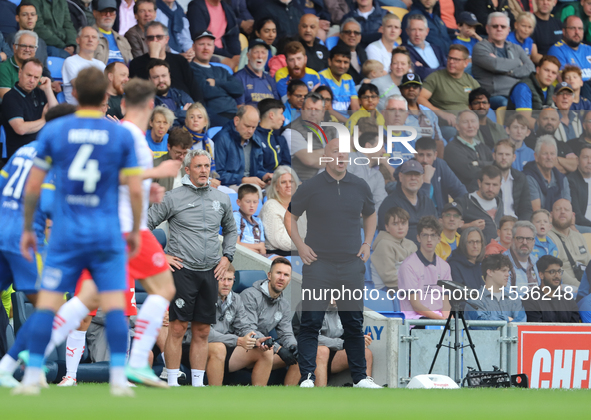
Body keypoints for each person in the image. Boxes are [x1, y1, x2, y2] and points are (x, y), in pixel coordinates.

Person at [16, 67, 143, 396]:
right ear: (105, 97)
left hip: (66, 232)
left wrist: (30, 227)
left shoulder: (55, 131)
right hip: (106, 231)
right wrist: (134, 230)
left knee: (47, 303)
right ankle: (118, 377)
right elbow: (135, 188)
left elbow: (33, 186)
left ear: (74, 94)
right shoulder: (120, 134)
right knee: (115, 303)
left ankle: (31, 376)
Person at [288, 136, 380, 389]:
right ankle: (307, 377)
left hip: (351, 264)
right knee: (311, 322)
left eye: (345, 152)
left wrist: (366, 243)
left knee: (353, 323)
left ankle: (360, 378)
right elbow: (290, 216)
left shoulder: (360, 185)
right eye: (335, 152)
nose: (341, 156)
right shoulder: (311, 186)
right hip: (319, 265)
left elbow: (371, 215)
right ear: (325, 156)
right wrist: (300, 245)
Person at [148, 149, 237, 387]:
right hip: (182, 271)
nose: (203, 171)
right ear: (187, 169)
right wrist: (161, 255)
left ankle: (198, 385)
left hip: (211, 271)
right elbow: (144, 227)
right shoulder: (172, 197)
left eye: (207, 166)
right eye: (198, 166)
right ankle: (173, 382)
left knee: (203, 331)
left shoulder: (222, 198)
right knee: (177, 328)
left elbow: (230, 229)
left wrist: (227, 256)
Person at [205, 264, 274, 386]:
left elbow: (244, 327)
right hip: (198, 347)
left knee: (266, 351)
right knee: (219, 347)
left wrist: (256, 339)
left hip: (226, 345)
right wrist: (237, 340)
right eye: (222, 279)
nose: (226, 284)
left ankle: (259, 400)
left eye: (230, 279)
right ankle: (214, 398)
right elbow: (205, 333)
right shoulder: (203, 297)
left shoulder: (236, 299)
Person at [239, 257, 300, 385]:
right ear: (269, 275)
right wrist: (278, 349)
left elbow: (286, 334)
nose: (282, 278)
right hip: (243, 347)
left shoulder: (284, 304)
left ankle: (288, 399)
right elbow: (249, 330)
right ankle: (259, 398)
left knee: (302, 354)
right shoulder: (249, 295)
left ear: (289, 280)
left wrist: (293, 346)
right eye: (278, 273)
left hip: (266, 348)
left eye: (286, 275)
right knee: (267, 352)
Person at [292, 299, 373, 388]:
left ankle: (364, 391)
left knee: (365, 353)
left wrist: (359, 341)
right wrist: (343, 343)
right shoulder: (308, 304)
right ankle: (320, 394)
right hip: (309, 352)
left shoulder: (347, 305)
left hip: (334, 351)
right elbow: (311, 337)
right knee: (323, 351)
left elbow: (352, 332)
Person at [471, 12, 535, 109]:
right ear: (487, 28)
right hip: (494, 96)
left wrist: (509, 71)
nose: (499, 29)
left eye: (503, 27)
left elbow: (531, 68)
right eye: (495, 26)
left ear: (508, 30)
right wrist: (518, 62)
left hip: (516, 92)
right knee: (506, 103)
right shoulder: (480, 47)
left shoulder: (516, 48)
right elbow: (495, 65)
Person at [129, 21, 202, 102]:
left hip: (184, 105)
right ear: (146, 41)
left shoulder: (179, 60)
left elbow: (194, 88)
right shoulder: (136, 63)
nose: (155, 40)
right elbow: (143, 92)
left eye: (159, 37)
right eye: (150, 38)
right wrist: (153, 58)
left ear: (166, 39)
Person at [1, 57, 58, 160]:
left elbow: (57, 116)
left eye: (36, 77)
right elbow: (20, 129)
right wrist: (44, 119)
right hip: (21, 155)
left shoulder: (40, 92)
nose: (32, 80)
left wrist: (48, 89)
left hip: (42, 151)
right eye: (29, 75)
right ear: (20, 73)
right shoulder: (10, 97)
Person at [417, 45, 480, 134]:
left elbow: (480, 103)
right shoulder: (435, 77)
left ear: (466, 63)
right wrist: (442, 114)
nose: (451, 62)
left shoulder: (471, 81)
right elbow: (420, 98)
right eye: (449, 58)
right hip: (445, 125)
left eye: (456, 59)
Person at [398, 215, 451, 321]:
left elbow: (446, 303)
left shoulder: (445, 266)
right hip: (416, 320)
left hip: (439, 319)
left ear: (439, 238)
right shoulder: (408, 266)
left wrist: (447, 319)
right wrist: (441, 321)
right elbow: (416, 306)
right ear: (418, 237)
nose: (429, 239)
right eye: (425, 235)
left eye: (433, 235)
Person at [189, 30, 243, 127]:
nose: (206, 48)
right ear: (193, 47)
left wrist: (217, 82)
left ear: (213, 48)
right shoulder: (190, 69)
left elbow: (239, 89)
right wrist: (228, 90)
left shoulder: (221, 70)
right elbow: (206, 92)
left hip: (234, 114)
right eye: (201, 44)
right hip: (215, 116)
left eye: (209, 45)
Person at [378, 159, 437, 245]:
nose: (413, 178)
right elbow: (385, 238)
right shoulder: (390, 204)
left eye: (417, 174)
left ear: (422, 178)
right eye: (409, 174)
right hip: (401, 254)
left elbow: (436, 230)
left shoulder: (428, 202)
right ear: (401, 177)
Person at [212, 105, 271, 189]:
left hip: (250, 184)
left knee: (277, 188)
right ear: (236, 121)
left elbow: (257, 170)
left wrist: (264, 176)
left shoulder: (256, 140)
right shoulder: (222, 139)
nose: (250, 131)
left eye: (253, 127)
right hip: (229, 185)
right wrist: (243, 180)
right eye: (247, 126)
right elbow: (217, 174)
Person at [465, 254, 526, 327]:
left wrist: (497, 322)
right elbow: (481, 326)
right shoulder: (474, 300)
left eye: (508, 271)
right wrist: (507, 319)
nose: (508, 274)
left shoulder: (514, 299)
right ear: (490, 272)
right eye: (503, 270)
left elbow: (521, 324)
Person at [285, 92, 334, 181]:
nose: (313, 113)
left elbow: (347, 154)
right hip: (306, 186)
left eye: (317, 110)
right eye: (309, 109)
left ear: (323, 112)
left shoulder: (330, 128)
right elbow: (309, 160)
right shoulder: (291, 131)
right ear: (302, 109)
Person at [415, 136, 467, 215]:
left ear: (435, 155)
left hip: (441, 215)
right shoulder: (408, 170)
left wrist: (453, 210)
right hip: (420, 217)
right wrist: (426, 180)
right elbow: (421, 206)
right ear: (415, 155)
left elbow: (460, 191)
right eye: (421, 155)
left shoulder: (440, 165)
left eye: (429, 155)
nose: (424, 160)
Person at [371, 206, 418, 294]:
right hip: (387, 290)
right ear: (387, 227)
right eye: (395, 224)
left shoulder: (411, 244)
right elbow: (389, 278)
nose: (400, 227)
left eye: (403, 223)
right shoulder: (384, 244)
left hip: (407, 285)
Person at [443, 110, 493, 190]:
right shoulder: (451, 148)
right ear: (457, 126)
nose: (470, 126)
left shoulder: (482, 146)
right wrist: (490, 167)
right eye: (465, 122)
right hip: (466, 196)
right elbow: (471, 173)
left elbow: (496, 165)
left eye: (473, 121)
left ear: (478, 125)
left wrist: (478, 163)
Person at [547, 198, 591, 288]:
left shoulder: (579, 236)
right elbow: (557, 271)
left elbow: (589, 264)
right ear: (551, 215)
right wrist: (582, 287)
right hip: (565, 287)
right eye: (558, 209)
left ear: (572, 215)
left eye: (566, 210)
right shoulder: (548, 237)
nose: (562, 212)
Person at [506, 55, 560, 128]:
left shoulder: (552, 89)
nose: (549, 75)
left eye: (553, 73)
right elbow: (525, 120)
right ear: (537, 70)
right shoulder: (523, 87)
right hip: (521, 134)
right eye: (546, 70)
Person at [522, 255, 580, 322]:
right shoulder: (530, 300)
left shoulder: (568, 299)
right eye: (552, 272)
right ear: (541, 275)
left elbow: (575, 329)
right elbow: (537, 330)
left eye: (559, 271)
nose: (557, 275)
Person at [457, 165, 504, 245]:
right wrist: (470, 226)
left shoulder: (499, 202)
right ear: (479, 183)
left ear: (500, 185)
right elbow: (449, 226)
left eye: (495, 185)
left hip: (499, 252)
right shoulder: (464, 202)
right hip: (475, 253)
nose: (490, 189)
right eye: (487, 184)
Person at [260, 166, 302, 255]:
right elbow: (280, 240)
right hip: (279, 255)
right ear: (276, 187)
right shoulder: (271, 206)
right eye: (283, 182)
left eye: (291, 181)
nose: (288, 185)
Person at [524, 135, 571, 212]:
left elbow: (567, 209)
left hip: (560, 221)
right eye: (545, 153)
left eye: (552, 154)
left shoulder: (562, 179)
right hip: (540, 222)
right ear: (536, 156)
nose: (549, 157)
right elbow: (537, 212)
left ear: (556, 157)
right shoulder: (529, 177)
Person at [523, 106, 577, 172]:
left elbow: (576, 165)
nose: (549, 122)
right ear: (538, 121)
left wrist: (557, 159)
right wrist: (566, 166)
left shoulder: (562, 144)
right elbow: (543, 167)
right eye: (545, 119)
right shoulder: (529, 141)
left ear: (558, 123)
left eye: (553, 119)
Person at [186, 0, 241, 65]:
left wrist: (236, 55)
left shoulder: (226, 8)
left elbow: (233, 36)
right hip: (206, 52)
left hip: (225, 52)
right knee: (230, 64)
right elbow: (200, 40)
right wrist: (230, 57)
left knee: (244, 62)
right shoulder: (196, 7)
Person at [399, 73, 444, 149]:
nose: (411, 89)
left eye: (415, 86)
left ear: (420, 90)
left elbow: (438, 141)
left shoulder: (429, 112)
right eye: (407, 86)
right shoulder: (396, 112)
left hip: (429, 156)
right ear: (401, 90)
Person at [63, 26, 106, 104]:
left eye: (94, 37)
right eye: (86, 36)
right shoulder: (70, 61)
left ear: (97, 43)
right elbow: (81, 87)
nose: (90, 40)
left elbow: (108, 88)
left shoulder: (101, 64)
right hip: (76, 111)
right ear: (78, 40)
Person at [345, 131, 388, 212]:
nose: (384, 151)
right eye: (381, 147)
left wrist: (370, 219)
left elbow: (380, 204)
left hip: (367, 220)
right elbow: (341, 188)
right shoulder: (351, 159)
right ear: (368, 146)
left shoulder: (378, 175)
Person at [492, 139, 534, 221]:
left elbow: (526, 208)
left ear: (513, 157)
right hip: (495, 223)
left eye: (507, 154)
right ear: (494, 156)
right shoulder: (485, 176)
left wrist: (521, 227)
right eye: (500, 154)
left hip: (516, 224)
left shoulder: (520, 177)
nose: (504, 158)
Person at [234, 38, 279, 107]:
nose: (260, 56)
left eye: (263, 52)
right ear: (248, 55)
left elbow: (277, 106)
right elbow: (240, 109)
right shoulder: (238, 78)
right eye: (256, 52)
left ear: (267, 56)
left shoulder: (270, 79)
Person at [149, 59, 192, 127]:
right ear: (150, 79)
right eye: (156, 77)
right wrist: (182, 113)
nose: (161, 80)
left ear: (169, 75)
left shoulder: (180, 94)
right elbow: (160, 127)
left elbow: (194, 118)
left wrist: (169, 117)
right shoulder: (147, 100)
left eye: (164, 76)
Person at [402, 14, 446, 80]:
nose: (417, 34)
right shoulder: (404, 50)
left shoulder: (437, 48)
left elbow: (448, 68)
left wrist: (426, 69)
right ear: (407, 31)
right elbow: (422, 73)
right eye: (413, 29)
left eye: (420, 30)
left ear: (427, 31)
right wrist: (442, 70)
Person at [548, 16, 591, 82]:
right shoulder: (557, 50)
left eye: (580, 28)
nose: (577, 32)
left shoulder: (588, 49)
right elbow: (565, 81)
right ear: (564, 31)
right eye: (572, 28)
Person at [319, 46, 360, 116]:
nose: (342, 66)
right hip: (329, 121)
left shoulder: (349, 79)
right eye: (338, 61)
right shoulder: (321, 77)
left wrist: (357, 122)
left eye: (346, 62)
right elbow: (328, 110)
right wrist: (347, 123)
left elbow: (355, 107)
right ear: (329, 61)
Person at [0, 30, 40, 99]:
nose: (27, 50)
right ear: (15, 48)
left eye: (31, 47)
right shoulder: (4, 68)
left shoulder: (35, 69)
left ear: (35, 50)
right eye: (23, 46)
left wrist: (49, 86)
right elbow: (8, 100)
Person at [254, 98, 290, 173]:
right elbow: (254, 167)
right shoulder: (254, 136)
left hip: (280, 179)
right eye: (281, 114)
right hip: (262, 181)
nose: (284, 119)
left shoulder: (280, 138)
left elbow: (287, 165)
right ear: (271, 115)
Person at [92, 0, 133, 65]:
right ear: (95, 13)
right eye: (104, 11)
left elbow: (131, 65)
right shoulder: (88, 36)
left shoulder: (123, 40)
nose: (108, 15)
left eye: (111, 12)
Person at [504, 220, 540, 293]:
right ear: (512, 240)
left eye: (528, 239)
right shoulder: (502, 263)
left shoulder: (536, 261)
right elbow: (507, 297)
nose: (524, 242)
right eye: (520, 238)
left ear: (534, 242)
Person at [153, 127, 193, 192]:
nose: (182, 157)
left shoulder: (190, 166)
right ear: (169, 146)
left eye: (185, 153)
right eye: (178, 152)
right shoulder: (155, 165)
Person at [373, 46, 411, 111]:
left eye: (403, 64)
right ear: (391, 66)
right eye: (395, 63)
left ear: (409, 67)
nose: (399, 67)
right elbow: (357, 92)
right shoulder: (379, 82)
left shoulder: (410, 86)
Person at [234, 183, 267, 256]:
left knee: (283, 261)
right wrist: (258, 247)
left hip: (259, 256)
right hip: (241, 255)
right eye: (248, 202)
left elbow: (263, 249)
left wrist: (259, 248)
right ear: (238, 202)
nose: (252, 205)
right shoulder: (236, 217)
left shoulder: (258, 221)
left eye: (255, 202)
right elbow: (235, 245)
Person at [335, 18, 368, 84]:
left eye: (356, 33)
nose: (352, 35)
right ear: (341, 35)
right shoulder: (335, 54)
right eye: (348, 32)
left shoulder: (362, 52)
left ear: (360, 37)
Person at [567, 144, 591, 232]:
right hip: (581, 226)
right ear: (577, 160)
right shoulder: (571, 181)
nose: (589, 161)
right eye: (585, 157)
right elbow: (577, 215)